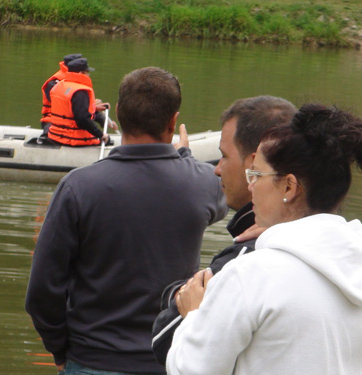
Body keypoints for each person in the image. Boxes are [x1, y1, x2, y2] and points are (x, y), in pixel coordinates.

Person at [166, 104, 362, 375]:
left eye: (256, 175)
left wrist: (194, 315)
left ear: (289, 187)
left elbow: (189, 370)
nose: (250, 185)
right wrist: (287, 228)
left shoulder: (249, 275)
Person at [26, 66, 228, 375]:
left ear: (117, 113)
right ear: (173, 121)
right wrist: (184, 157)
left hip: (90, 360)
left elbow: (42, 290)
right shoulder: (203, 183)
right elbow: (222, 196)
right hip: (167, 359)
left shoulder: (78, 186)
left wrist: (59, 347)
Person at [151, 95, 297, 365]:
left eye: (223, 156)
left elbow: (163, 339)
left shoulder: (248, 255)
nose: (217, 169)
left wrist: (181, 297)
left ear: (254, 164)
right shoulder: (343, 251)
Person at [47, 57, 116, 146]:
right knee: (108, 142)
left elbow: (70, 109)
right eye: (87, 72)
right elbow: (82, 119)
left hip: (56, 136)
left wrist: (94, 108)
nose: (89, 75)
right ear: (81, 73)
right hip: (72, 139)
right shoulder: (80, 91)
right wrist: (101, 135)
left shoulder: (60, 85)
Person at [40, 53, 82, 134]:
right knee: (49, 132)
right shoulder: (53, 84)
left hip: (71, 120)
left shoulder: (77, 80)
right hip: (52, 120)